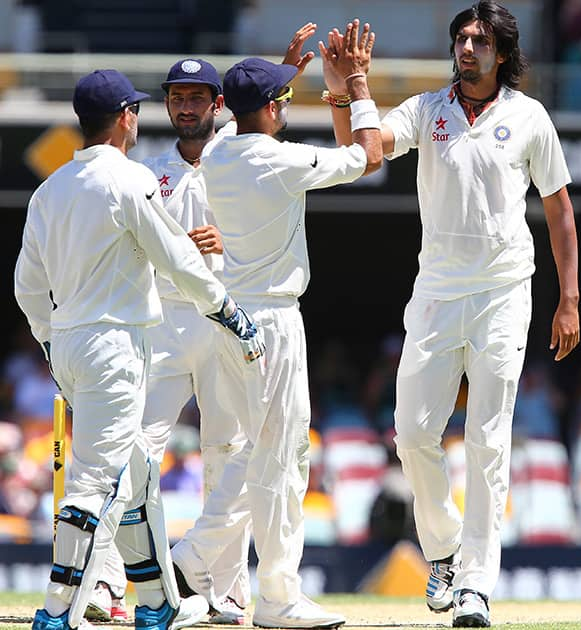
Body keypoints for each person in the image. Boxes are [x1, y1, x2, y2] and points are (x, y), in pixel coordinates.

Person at [329, 2, 581, 625]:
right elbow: (362, 156)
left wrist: (569, 299)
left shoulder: (529, 117)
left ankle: (475, 585)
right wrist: (350, 92)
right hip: (437, 291)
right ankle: (441, 550)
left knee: (488, 441)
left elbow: (560, 211)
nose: (467, 47)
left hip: (503, 292)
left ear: (503, 52)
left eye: (480, 39)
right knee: (412, 434)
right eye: (462, 38)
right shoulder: (426, 110)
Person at [87, 24, 323, 626]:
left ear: (219, 107)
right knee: (134, 449)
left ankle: (220, 586)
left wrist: (225, 244)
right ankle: (107, 583)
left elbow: (260, 107)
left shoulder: (235, 156)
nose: (185, 106)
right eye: (176, 97)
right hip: (164, 321)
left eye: (197, 98)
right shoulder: (147, 171)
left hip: (226, 315)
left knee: (233, 448)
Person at [15, 69, 264, 630]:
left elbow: (27, 286)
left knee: (137, 473)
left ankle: (155, 600)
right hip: (117, 345)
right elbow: (177, 256)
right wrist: (227, 310)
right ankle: (58, 611)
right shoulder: (130, 180)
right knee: (95, 480)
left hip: (71, 345)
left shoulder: (47, 190)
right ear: (126, 116)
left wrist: (49, 340)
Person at [167, 19, 381, 629]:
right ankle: (217, 566)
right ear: (267, 108)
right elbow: (366, 157)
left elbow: (241, 115)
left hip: (228, 318)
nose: (288, 105)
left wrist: (283, 71)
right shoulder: (279, 160)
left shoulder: (218, 151)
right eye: (281, 98)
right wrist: (355, 86)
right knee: (279, 455)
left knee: (261, 451)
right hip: (272, 323)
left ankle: (258, 585)